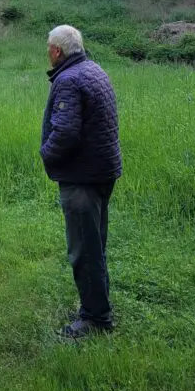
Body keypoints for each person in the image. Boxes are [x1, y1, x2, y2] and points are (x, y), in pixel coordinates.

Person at [41, 25, 122, 339]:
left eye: (48, 48)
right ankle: (97, 306)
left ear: (57, 51)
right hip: (102, 171)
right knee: (95, 245)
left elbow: (65, 131)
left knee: (84, 251)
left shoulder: (69, 79)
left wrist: (46, 154)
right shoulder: (93, 69)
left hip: (83, 178)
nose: (47, 53)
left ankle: (95, 319)